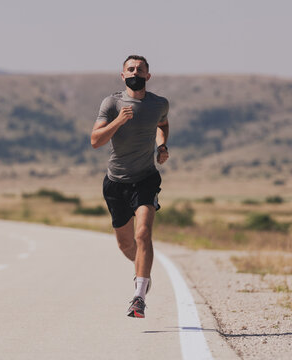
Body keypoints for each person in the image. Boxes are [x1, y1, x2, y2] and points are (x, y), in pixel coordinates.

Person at [91, 55, 169, 318]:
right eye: (131, 69)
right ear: (122, 75)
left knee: (143, 234)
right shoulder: (112, 103)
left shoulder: (158, 103)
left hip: (146, 178)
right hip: (116, 183)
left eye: (140, 69)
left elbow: (163, 123)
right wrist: (119, 121)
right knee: (126, 245)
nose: (135, 72)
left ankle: (139, 296)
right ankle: (142, 273)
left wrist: (162, 145)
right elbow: (95, 141)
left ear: (148, 75)